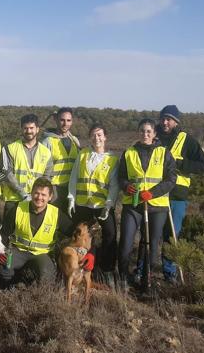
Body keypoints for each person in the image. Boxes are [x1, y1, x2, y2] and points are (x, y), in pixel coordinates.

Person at [117, 118, 176, 292]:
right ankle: (123, 278)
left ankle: (146, 279)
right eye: (142, 131)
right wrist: (127, 186)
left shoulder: (164, 153)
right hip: (133, 205)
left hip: (157, 205)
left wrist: (153, 192)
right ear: (138, 132)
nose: (145, 134)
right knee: (126, 242)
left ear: (154, 134)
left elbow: (171, 179)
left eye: (149, 131)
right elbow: (121, 177)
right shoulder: (128, 153)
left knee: (150, 244)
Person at [156, 105, 204, 283]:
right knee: (151, 234)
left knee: (172, 234)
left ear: (176, 122)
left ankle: (169, 273)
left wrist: (181, 164)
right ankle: (143, 268)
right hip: (154, 193)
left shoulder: (187, 140)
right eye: (163, 118)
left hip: (177, 195)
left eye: (169, 119)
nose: (165, 122)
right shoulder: (152, 136)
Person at [0, 177, 74, 287]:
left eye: (43, 195)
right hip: (18, 250)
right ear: (31, 193)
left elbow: (75, 233)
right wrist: (0, 251)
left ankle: (29, 280)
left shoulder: (56, 214)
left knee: (46, 279)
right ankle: (15, 283)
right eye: (36, 193)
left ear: (50, 197)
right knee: (2, 268)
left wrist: (86, 252)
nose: (39, 197)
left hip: (42, 254)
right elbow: (3, 234)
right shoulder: (18, 208)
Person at [67, 123, 119, 287]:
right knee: (79, 238)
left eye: (99, 135)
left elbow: (114, 185)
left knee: (110, 236)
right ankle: (79, 269)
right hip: (83, 204)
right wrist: (71, 197)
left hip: (102, 205)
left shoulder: (112, 159)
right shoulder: (83, 155)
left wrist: (109, 204)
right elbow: (74, 177)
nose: (96, 138)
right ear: (90, 137)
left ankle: (106, 270)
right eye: (93, 135)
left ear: (105, 137)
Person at [2, 114, 53, 227]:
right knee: (8, 235)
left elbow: (47, 177)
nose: (28, 131)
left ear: (37, 129)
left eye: (31, 128)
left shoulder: (46, 152)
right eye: (25, 128)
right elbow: (7, 173)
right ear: (21, 129)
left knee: (29, 233)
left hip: (36, 202)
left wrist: (36, 196)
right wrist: (23, 194)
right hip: (14, 200)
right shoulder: (10, 148)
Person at [42, 107, 80, 212]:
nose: (65, 123)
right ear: (56, 120)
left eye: (68, 120)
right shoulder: (47, 141)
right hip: (54, 189)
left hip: (71, 189)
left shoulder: (75, 141)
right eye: (62, 120)